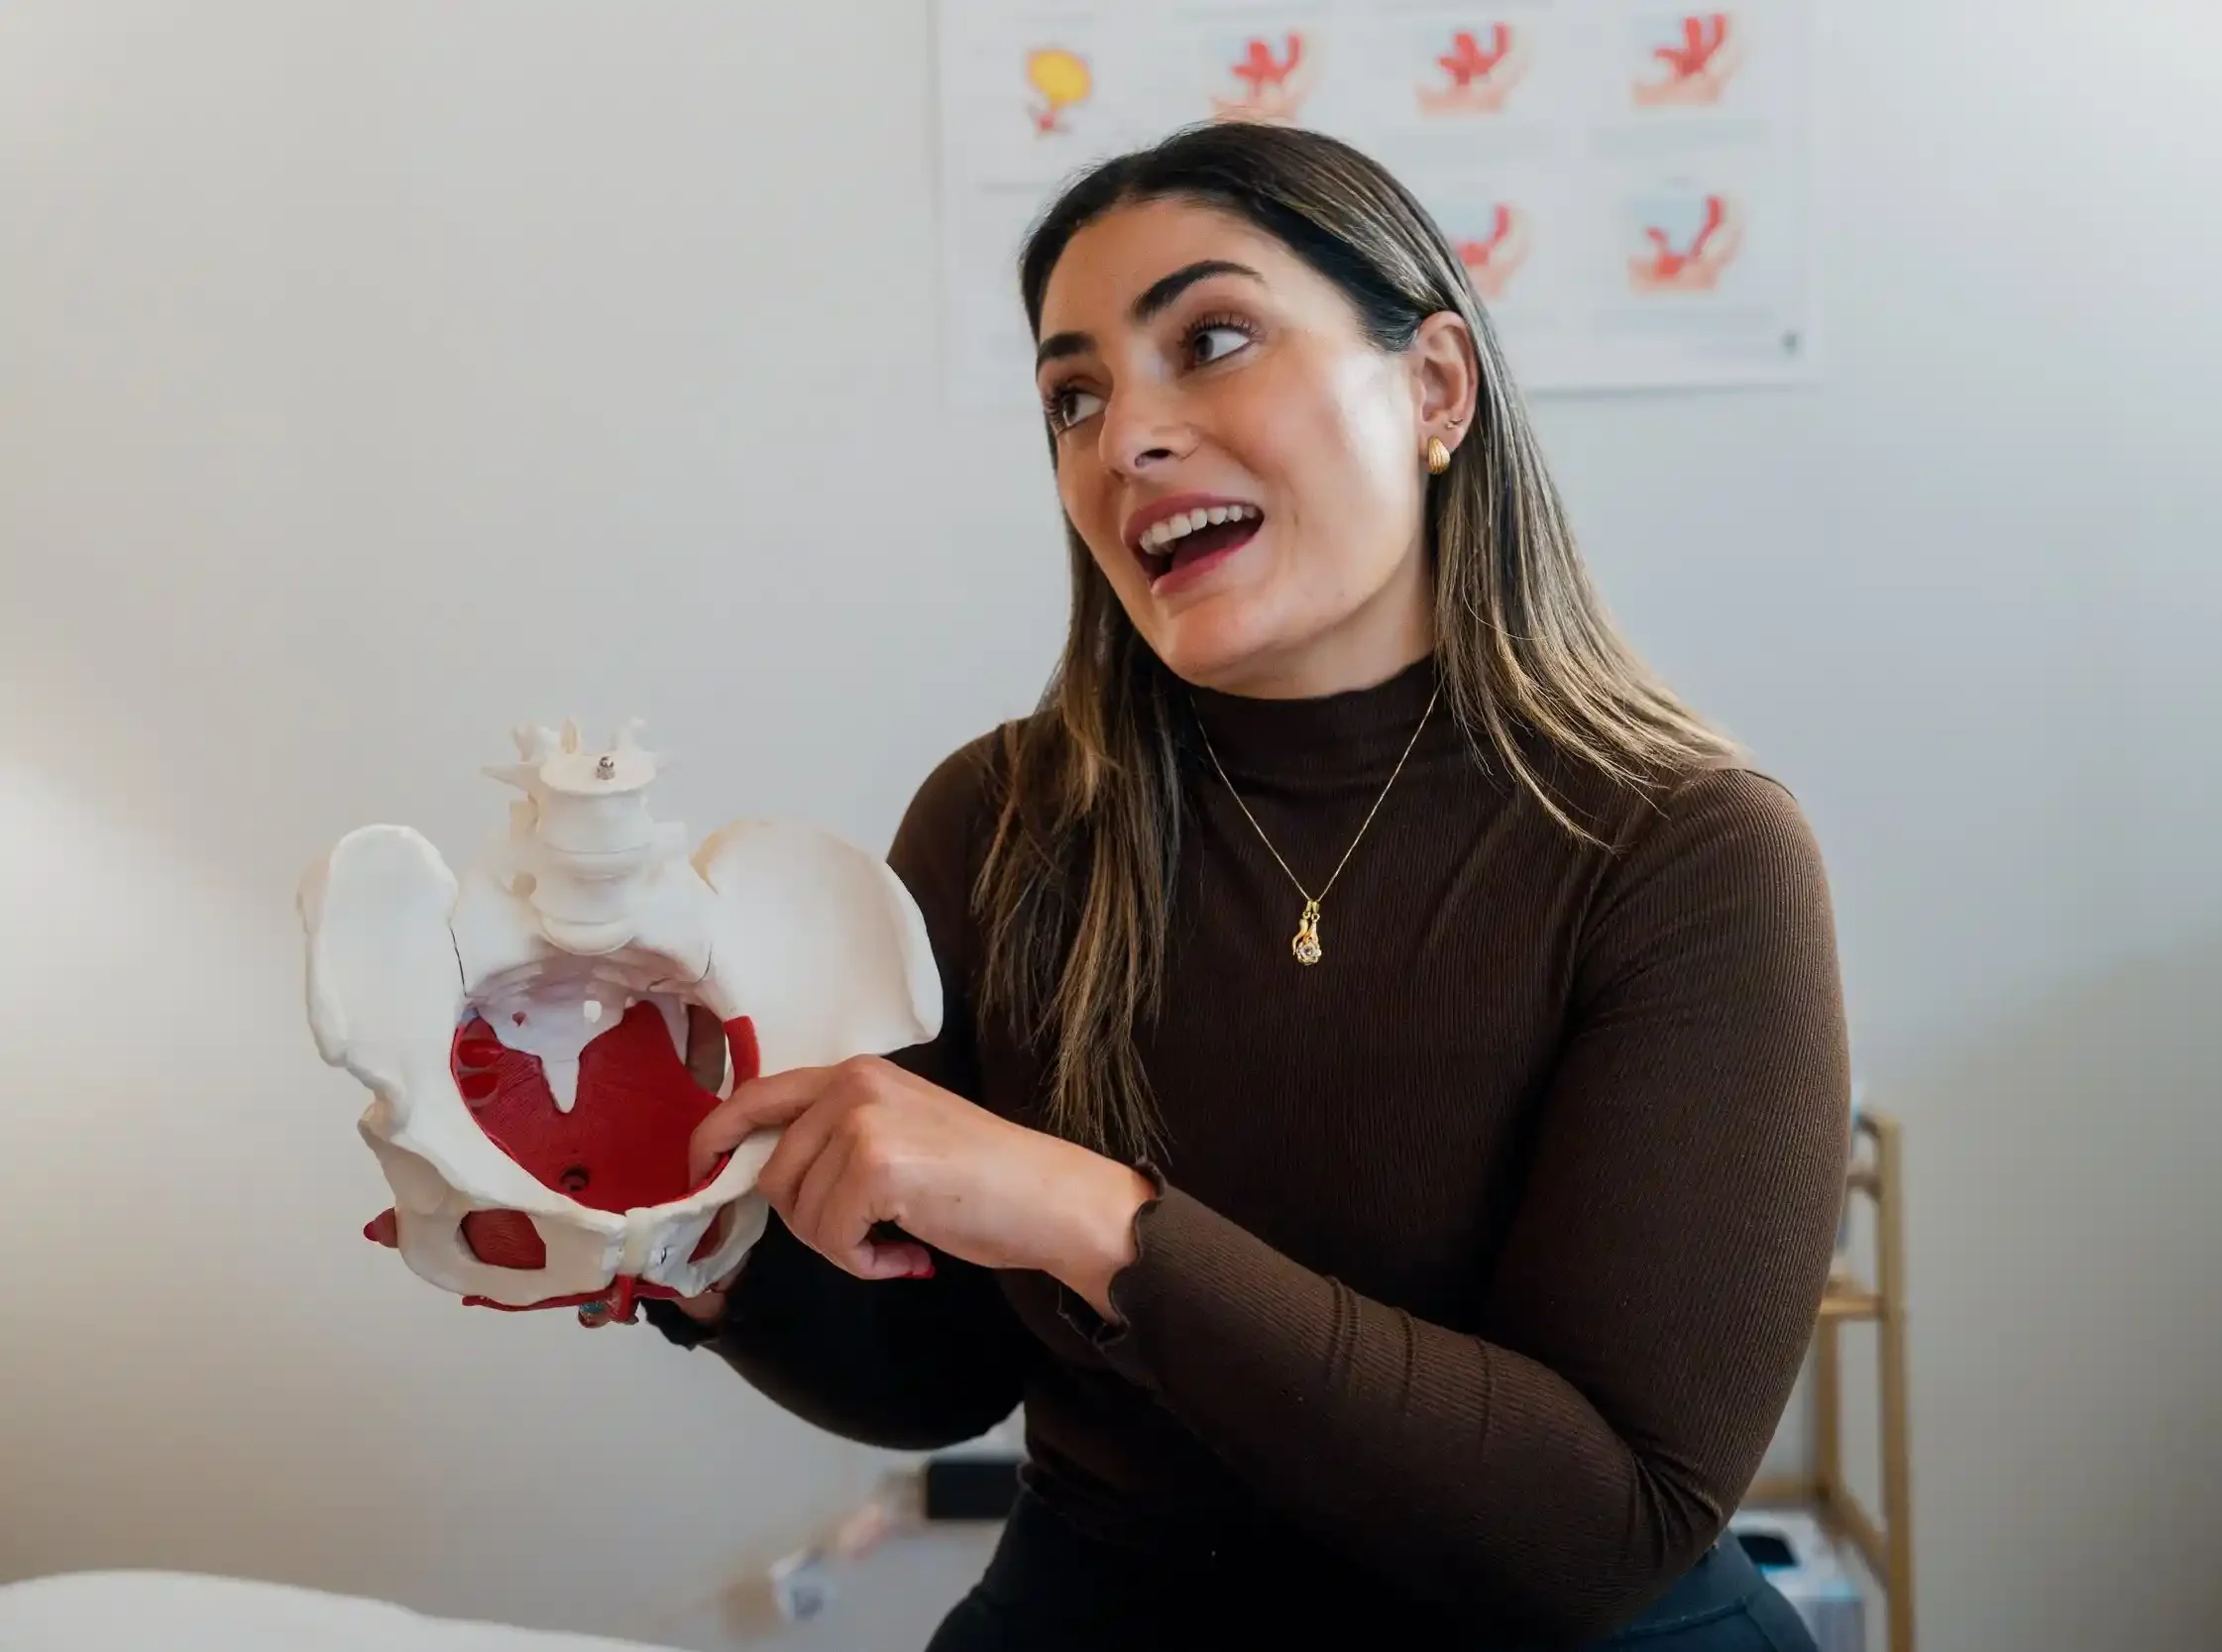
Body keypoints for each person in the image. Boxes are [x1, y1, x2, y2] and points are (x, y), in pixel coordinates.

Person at [644, 122, 1850, 1651]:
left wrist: (1096, 1216)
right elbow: (934, 1367)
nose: (1121, 439)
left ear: (1435, 388)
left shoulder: (1691, 852)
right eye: (1071, 396)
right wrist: (682, 1233)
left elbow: (1601, 1522)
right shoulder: (1000, 816)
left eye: (1210, 340)